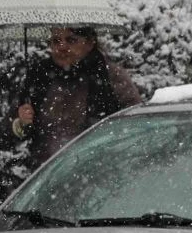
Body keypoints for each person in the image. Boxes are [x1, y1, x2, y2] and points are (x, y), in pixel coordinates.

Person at [10, 26, 141, 170]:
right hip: (46, 174)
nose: (62, 46)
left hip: (100, 170)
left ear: (90, 43)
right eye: (56, 40)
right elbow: (11, 130)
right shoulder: (39, 76)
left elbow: (134, 123)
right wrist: (22, 123)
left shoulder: (110, 76)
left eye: (71, 40)